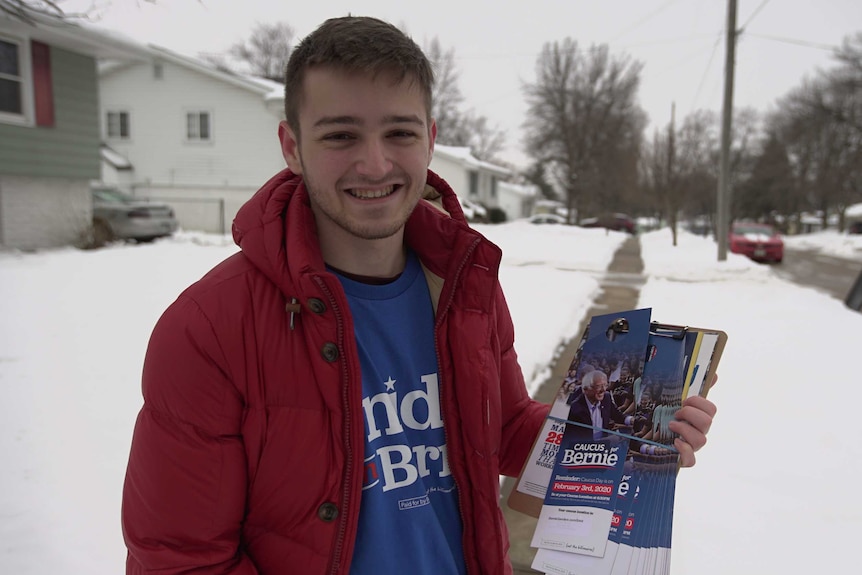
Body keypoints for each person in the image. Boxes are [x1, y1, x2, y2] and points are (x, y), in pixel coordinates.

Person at [120, 15, 718, 575]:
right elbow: (181, 560)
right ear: (292, 146)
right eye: (340, 135)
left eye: (399, 132)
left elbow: (504, 427)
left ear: (430, 138)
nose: (374, 163)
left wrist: (630, 441)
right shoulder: (209, 329)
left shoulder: (462, 284)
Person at [567, 370, 636, 441]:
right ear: (586, 389)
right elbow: (577, 443)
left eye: (605, 385)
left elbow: (617, 415)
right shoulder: (575, 410)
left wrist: (631, 420)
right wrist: (607, 440)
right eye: (598, 386)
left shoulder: (606, 397)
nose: (603, 390)